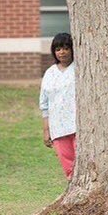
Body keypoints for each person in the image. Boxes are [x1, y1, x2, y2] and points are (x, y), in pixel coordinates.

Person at [39, 33, 77, 180]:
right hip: (58, 127)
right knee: (68, 166)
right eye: (58, 49)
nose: (62, 52)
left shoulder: (79, 68)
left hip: (78, 125)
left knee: (81, 162)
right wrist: (46, 130)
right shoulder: (50, 73)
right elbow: (44, 103)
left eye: (66, 48)